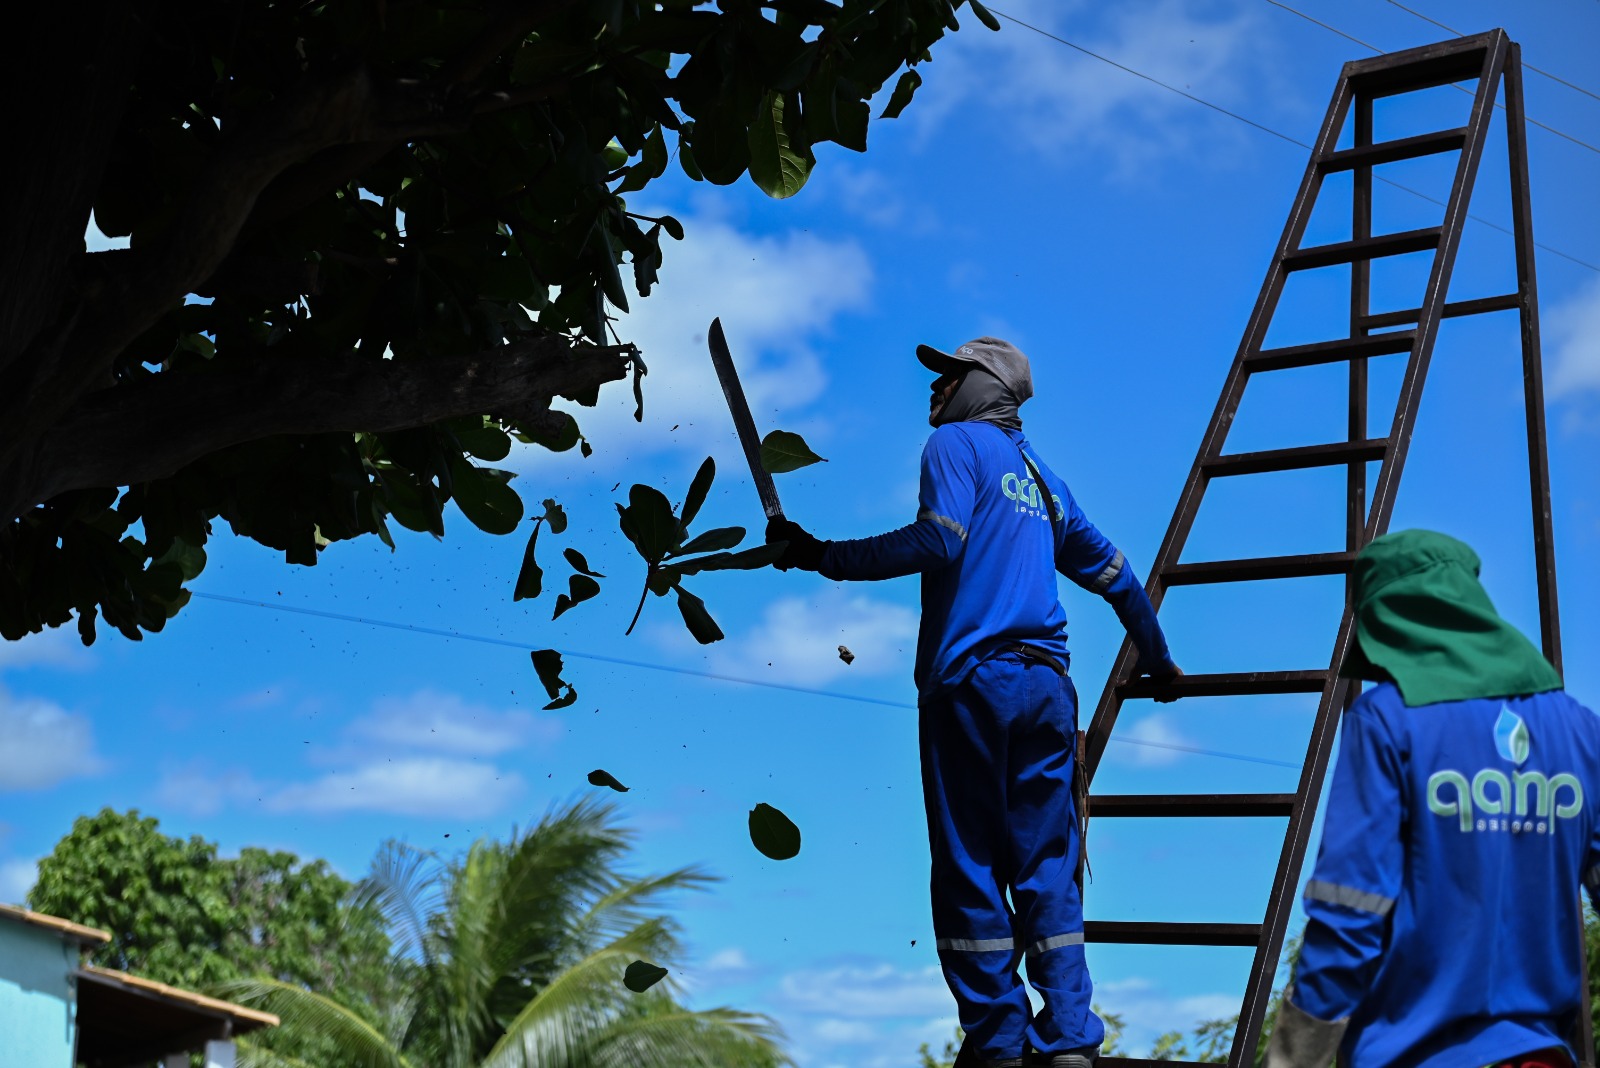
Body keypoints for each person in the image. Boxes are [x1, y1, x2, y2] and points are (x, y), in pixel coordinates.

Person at [766, 337, 1180, 1068]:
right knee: (1048, 863)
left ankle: (997, 1041)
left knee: (969, 864)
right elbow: (1118, 576)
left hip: (973, 683)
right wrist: (1160, 660)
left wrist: (820, 554)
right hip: (1048, 689)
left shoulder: (955, 445)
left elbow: (938, 542)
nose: (936, 387)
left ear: (983, 385)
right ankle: (1071, 1040)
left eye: (948, 375)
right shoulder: (1045, 482)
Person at [1266, 529, 1597, 1068]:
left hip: (1414, 1053)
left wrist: (1293, 1058)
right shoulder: (1580, 730)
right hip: (1541, 1055)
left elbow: (1351, 908)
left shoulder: (1387, 720)